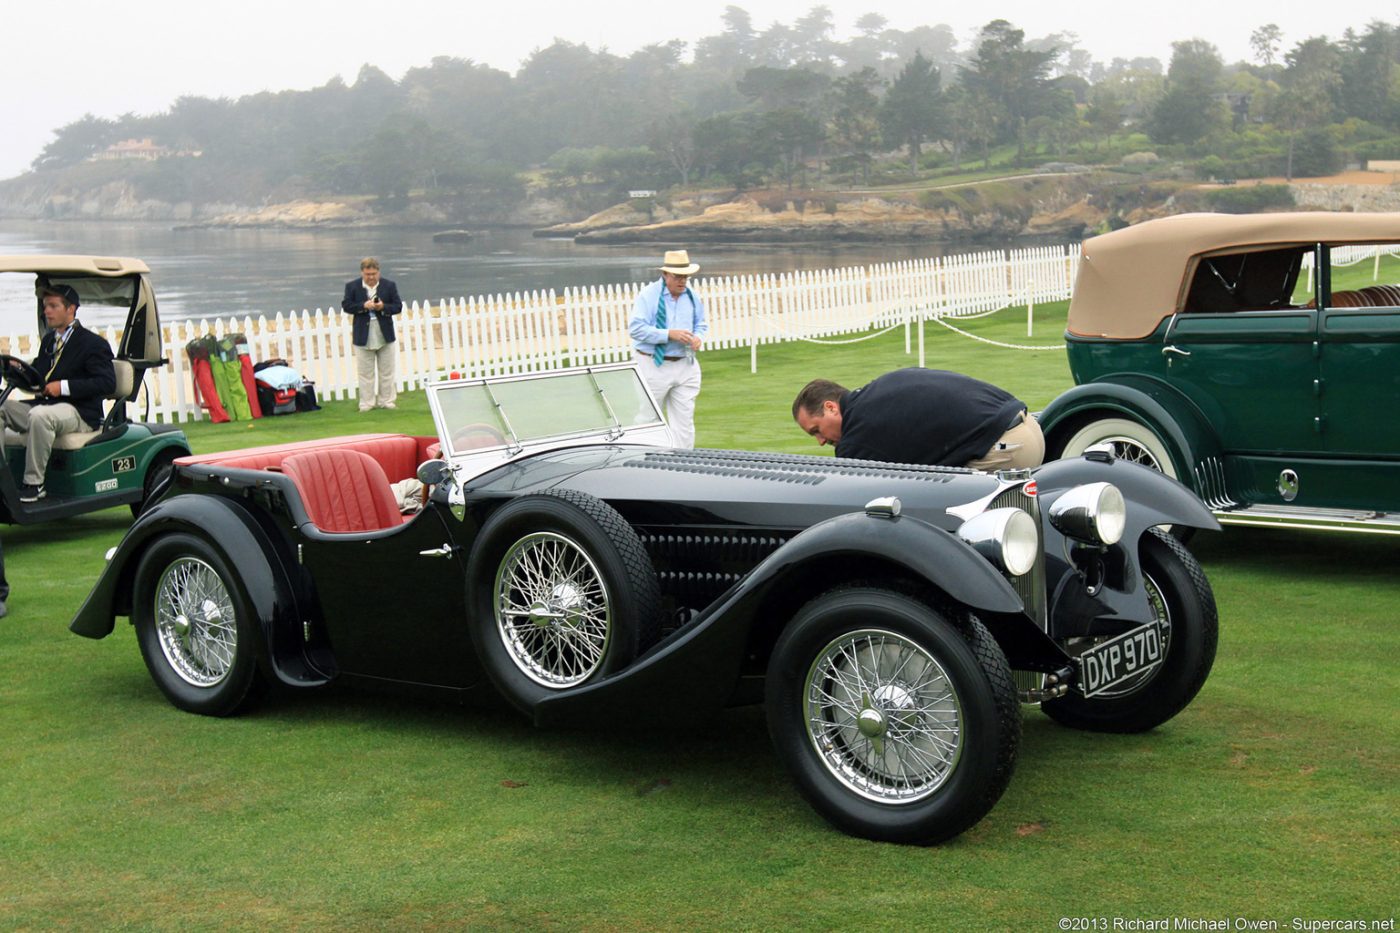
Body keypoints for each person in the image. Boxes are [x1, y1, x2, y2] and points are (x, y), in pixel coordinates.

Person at [791, 367, 1045, 471]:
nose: (820, 442)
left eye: (816, 430)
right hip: (1031, 427)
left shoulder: (856, 438)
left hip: (1008, 449)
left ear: (831, 408)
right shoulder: (878, 390)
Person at [2, 284, 117, 502]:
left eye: (53, 306)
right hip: (47, 407)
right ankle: (3, 478)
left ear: (71, 309)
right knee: (2, 408)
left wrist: (62, 386)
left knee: (40, 417)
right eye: (46, 306)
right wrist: (20, 370)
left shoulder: (93, 343)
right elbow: (40, 372)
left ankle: (34, 485)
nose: (47, 311)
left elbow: (106, 383)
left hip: (79, 412)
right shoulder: (49, 341)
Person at [629, 249, 708, 449]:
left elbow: (701, 324)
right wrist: (668, 334)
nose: (682, 281)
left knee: (684, 421)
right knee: (648, 417)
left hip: (686, 363)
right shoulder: (648, 296)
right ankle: (644, 460)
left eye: (685, 277)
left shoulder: (692, 297)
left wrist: (698, 337)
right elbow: (636, 329)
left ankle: (684, 464)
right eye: (678, 276)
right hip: (652, 364)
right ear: (665, 275)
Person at [340, 257, 402, 412]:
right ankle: (367, 403)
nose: (371, 277)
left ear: (378, 272)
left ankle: (386, 401)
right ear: (362, 273)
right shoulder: (352, 286)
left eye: (374, 274)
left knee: (386, 371)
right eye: (368, 274)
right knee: (365, 373)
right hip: (363, 334)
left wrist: (382, 307)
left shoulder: (389, 285)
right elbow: (346, 305)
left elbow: (397, 306)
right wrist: (363, 306)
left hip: (384, 334)